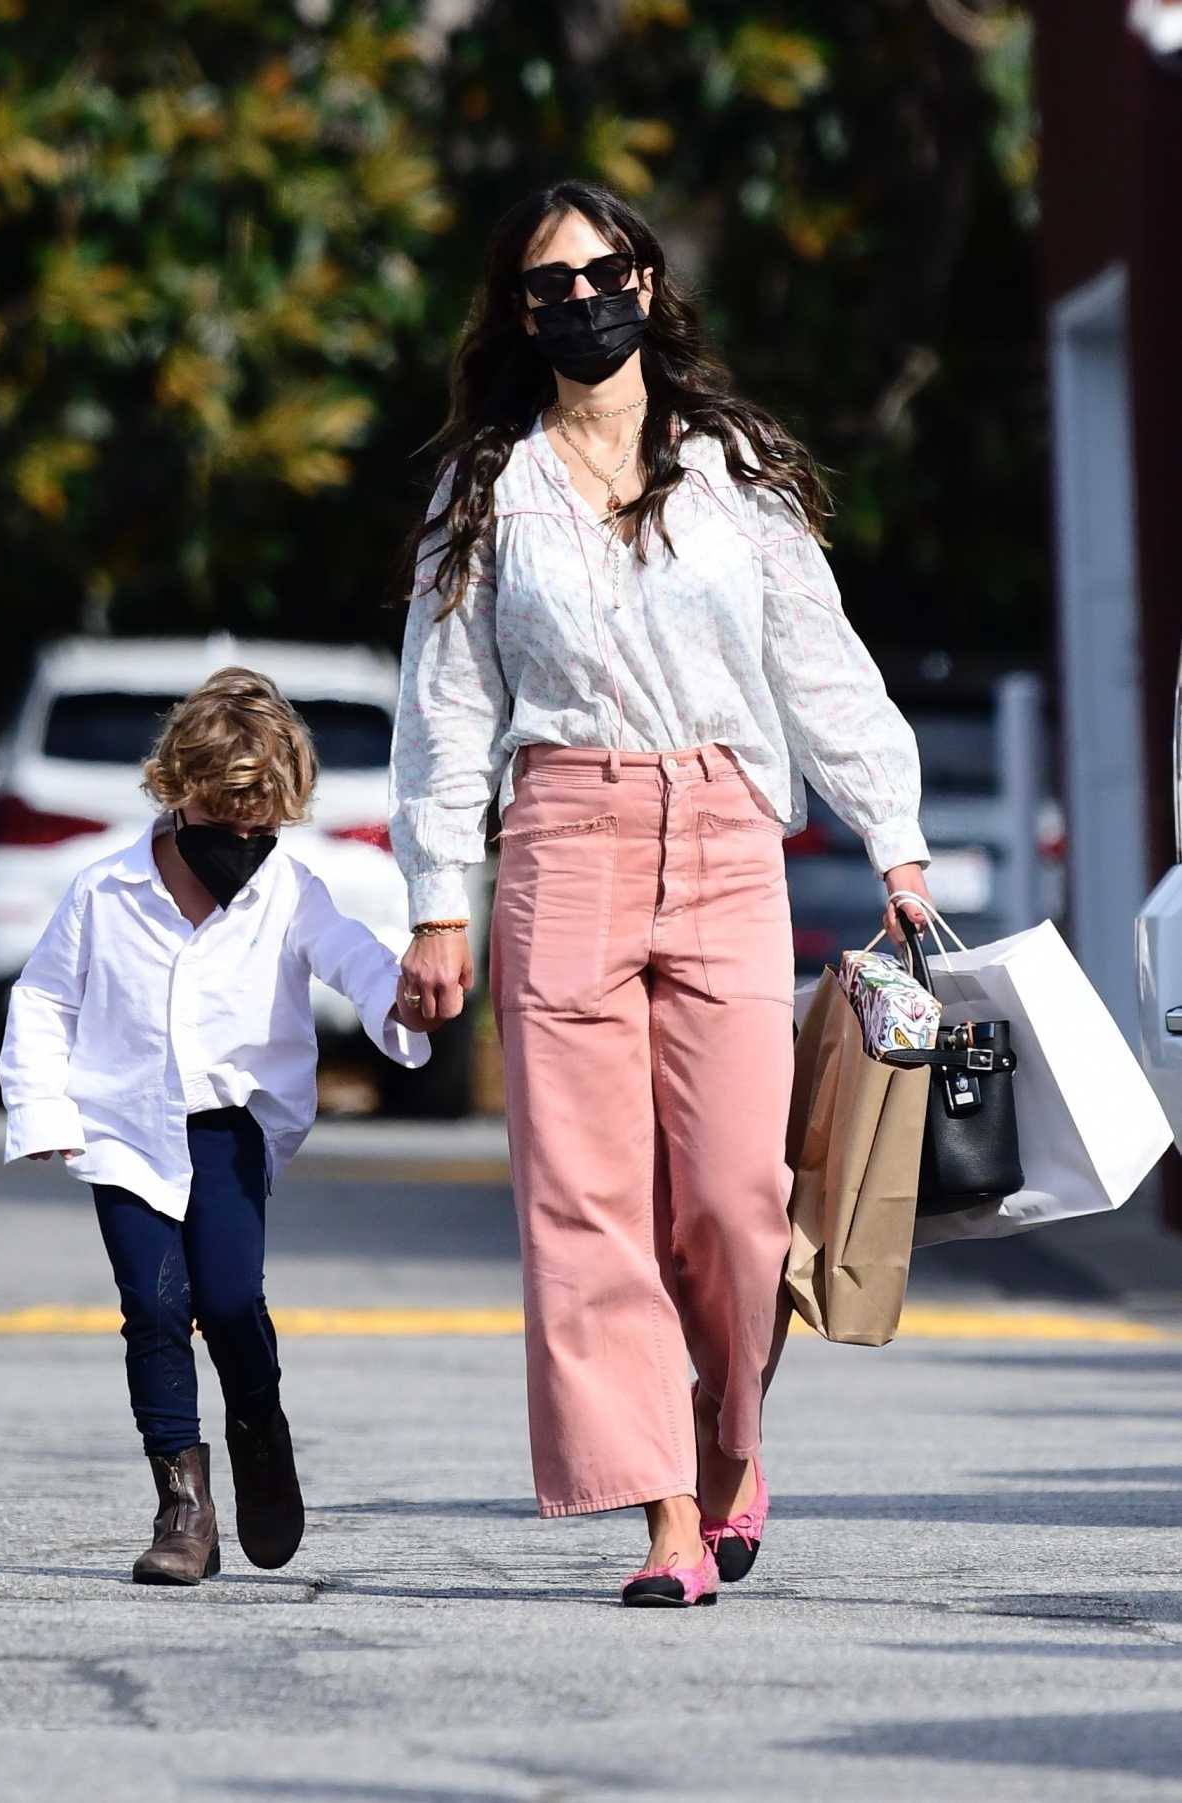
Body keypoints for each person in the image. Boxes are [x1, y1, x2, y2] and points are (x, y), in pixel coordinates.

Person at [389, 180, 934, 1609]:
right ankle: (668, 1513)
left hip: (725, 836)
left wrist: (893, 831)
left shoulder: (732, 467)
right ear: (519, 310)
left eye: (602, 271)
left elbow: (816, 657)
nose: (581, 301)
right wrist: (439, 894)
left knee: (736, 1202)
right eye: (548, 283)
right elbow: (444, 707)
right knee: (586, 1202)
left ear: (647, 279)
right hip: (561, 833)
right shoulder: (485, 486)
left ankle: (733, 1437)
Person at [0, 668, 432, 1586]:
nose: (245, 843)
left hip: (229, 1128)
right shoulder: (104, 890)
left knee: (229, 1302)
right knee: (154, 1309)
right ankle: (183, 1509)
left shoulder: (287, 890)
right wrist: (44, 1109)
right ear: (180, 791)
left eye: (261, 826)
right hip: (121, 1129)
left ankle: (260, 1430)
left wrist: (406, 997)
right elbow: (41, 999)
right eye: (227, 821)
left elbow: (354, 956)